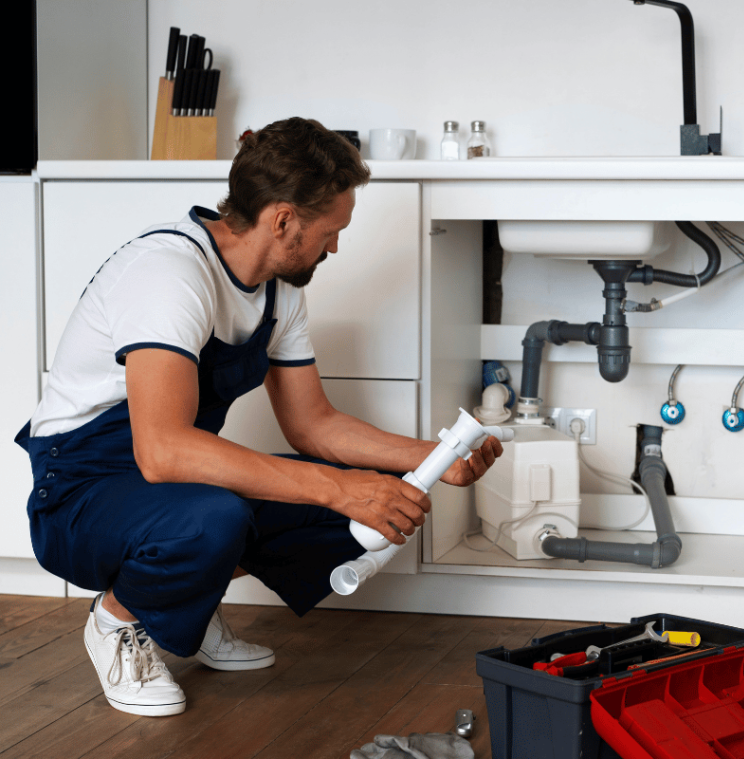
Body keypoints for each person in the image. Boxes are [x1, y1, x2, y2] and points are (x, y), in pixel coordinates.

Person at [14, 117, 502, 717]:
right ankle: (117, 621)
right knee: (221, 518)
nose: (334, 247)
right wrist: (337, 487)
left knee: (370, 499)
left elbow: (314, 425)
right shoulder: (170, 274)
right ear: (283, 220)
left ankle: (188, 603)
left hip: (173, 482)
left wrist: (432, 458)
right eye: (330, 232)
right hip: (81, 492)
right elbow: (162, 450)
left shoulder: (280, 291)